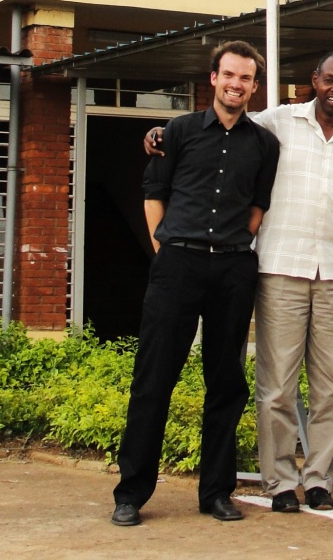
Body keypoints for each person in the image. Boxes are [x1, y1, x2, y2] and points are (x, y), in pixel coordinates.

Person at [144, 51, 333, 514]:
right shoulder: (277, 122)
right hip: (279, 269)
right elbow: (222, 124)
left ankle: (319, 479)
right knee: (277, 384)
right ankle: (279, 482)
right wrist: (157, 134)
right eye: (329, 79)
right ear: (313, 81)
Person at [112, 41, 280, 527]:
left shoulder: (264, 144)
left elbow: (257, 209)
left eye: (246, 78)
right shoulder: (178, 132)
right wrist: (166, 253)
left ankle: (216, 493)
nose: (236, 85)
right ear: (213, 78)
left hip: (232, 269)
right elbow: (154, 193)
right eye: (229, 75)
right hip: (177, 266)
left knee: (226, 382)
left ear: (253, 85)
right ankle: (131, 493)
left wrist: (230, 250)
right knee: (153, 379)